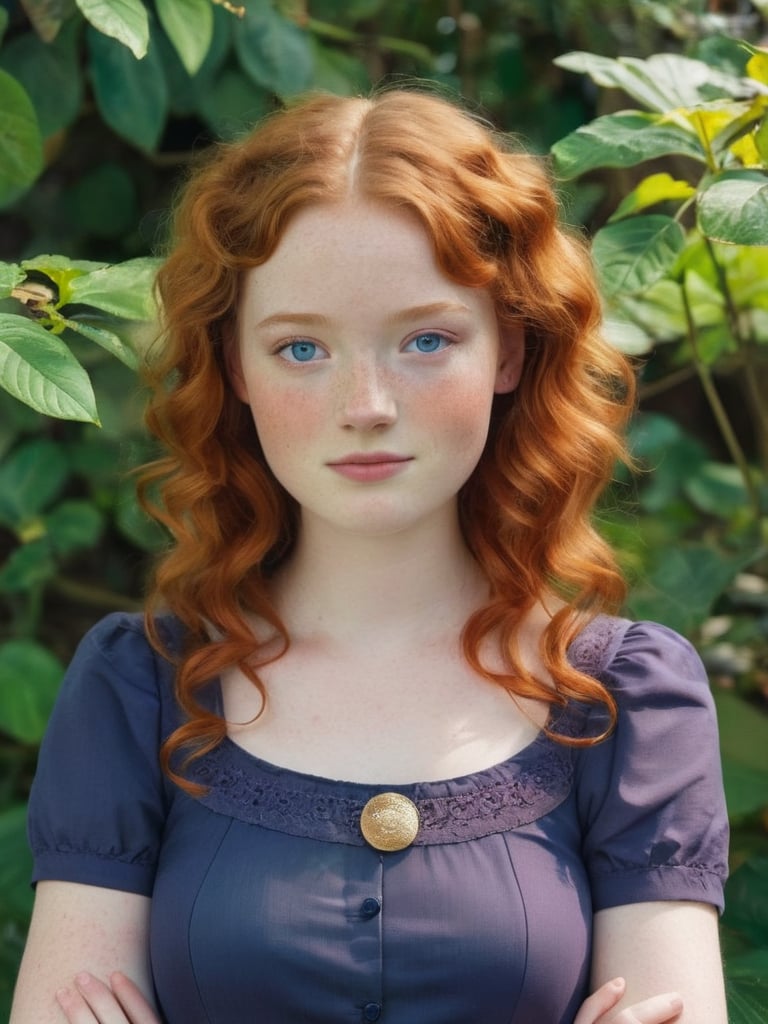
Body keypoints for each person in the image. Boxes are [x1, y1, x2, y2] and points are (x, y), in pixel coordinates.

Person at [10, 88, 729, 1024]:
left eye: (427, 339)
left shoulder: (627, 701)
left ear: (508, 349)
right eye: (302, 347)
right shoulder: (139, 688)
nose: (369, 404)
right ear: (234, 367)